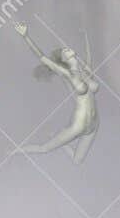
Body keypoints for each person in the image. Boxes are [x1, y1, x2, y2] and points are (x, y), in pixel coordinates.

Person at [10, 24, 99, 164]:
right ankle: (14, 151)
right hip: (79, 125)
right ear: (63, 60)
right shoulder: (68, 74)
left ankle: (61, 140)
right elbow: (42, 57)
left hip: (93, 125)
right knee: (44, 149)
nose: (67, 48)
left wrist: (86, 36)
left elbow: (89, 58)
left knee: (77, 161)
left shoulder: (85, 71)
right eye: (64, 50)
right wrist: (26, 36)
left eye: (67, 48)